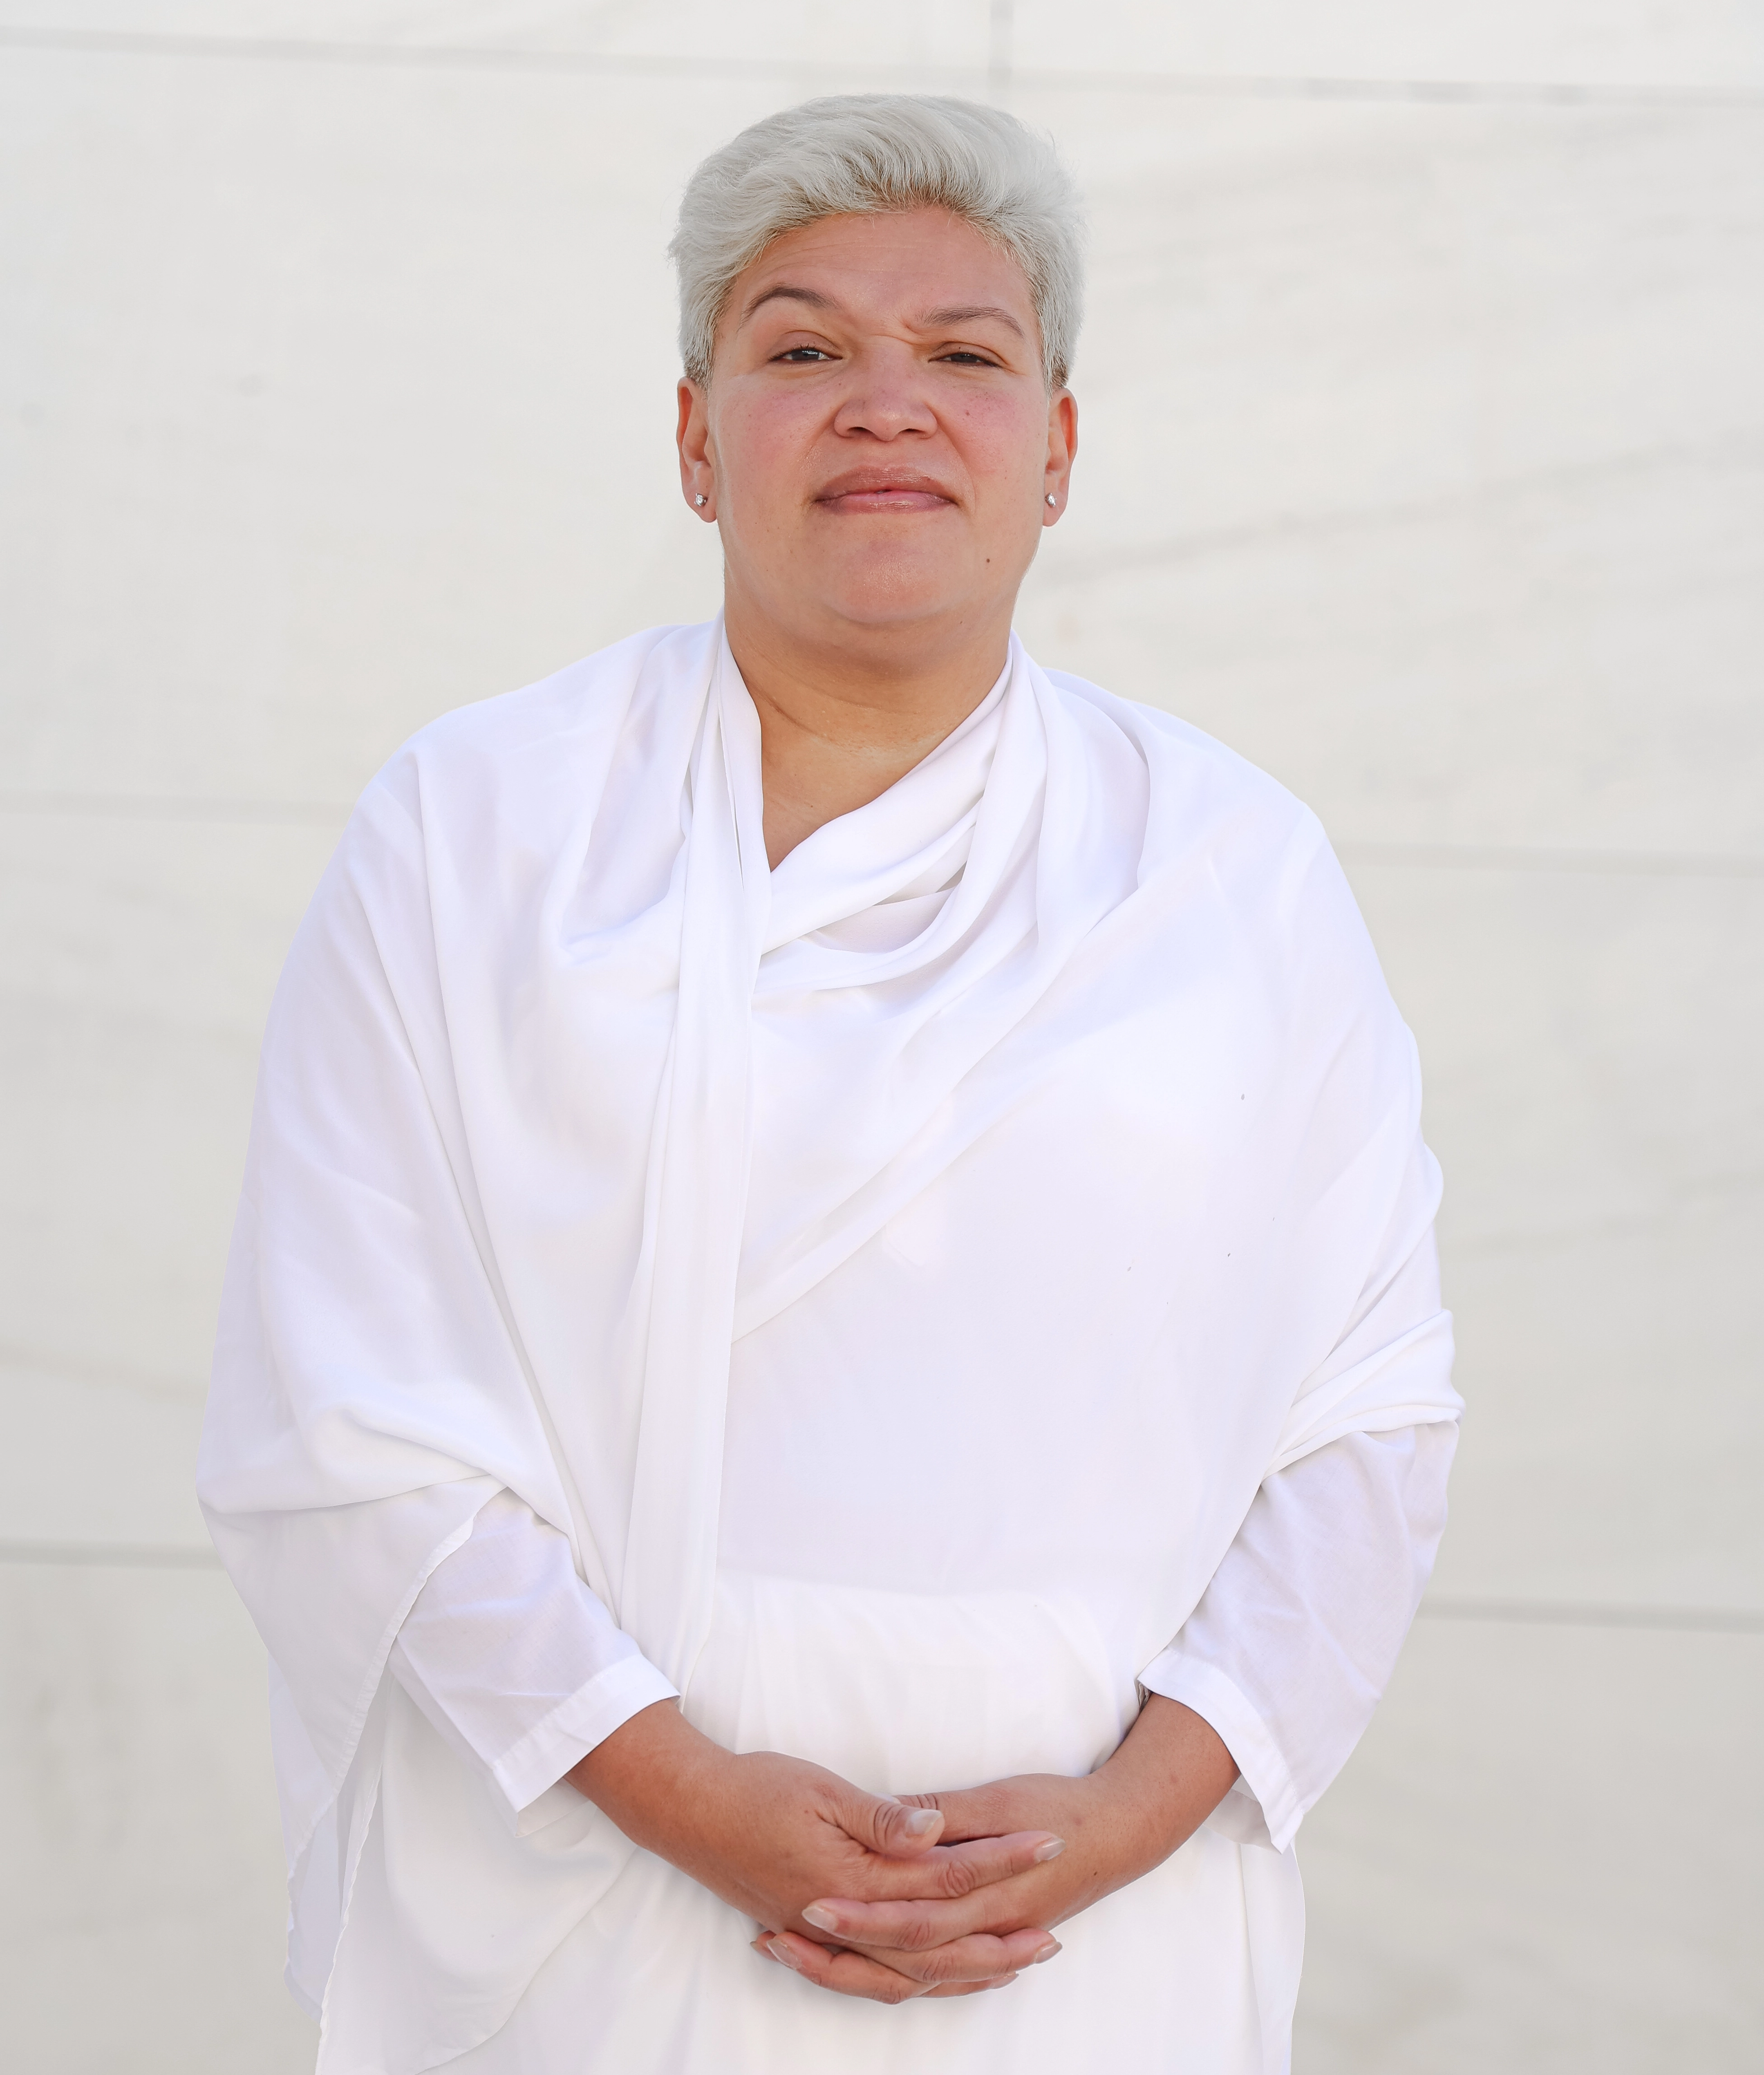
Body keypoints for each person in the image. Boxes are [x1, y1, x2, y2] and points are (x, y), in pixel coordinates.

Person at [199, 94, 1461, 2075]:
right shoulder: (474, 834)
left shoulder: (1233, 870)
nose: (887, 406)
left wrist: (1124, 1820)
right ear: (696, 438)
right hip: (593, 1898)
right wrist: (681, 1791)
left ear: (1057, 446)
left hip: (1088, 1941)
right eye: (802, 350)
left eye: (964, 354)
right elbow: (351, 1410)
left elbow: (1367, 1420)